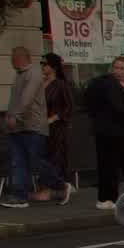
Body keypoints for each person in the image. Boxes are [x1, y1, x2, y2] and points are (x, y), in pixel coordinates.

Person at [2, 46, 58, 208]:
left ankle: (60, 184)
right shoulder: (18, 76)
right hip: (18, 128)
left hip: (33, 126)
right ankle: (20, 196)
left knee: (37, 161)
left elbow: (27, 98)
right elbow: (15, 100)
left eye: (12, 57)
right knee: (18, 162)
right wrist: (9, 117)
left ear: (18, 58)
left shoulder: (33, 74)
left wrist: (15, 115)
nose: (10, 61)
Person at [86, 56, 124, 211]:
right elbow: (118, 107)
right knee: (109, 166)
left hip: (121, 132)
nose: (118, 71)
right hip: (109, 132)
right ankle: (106, 199)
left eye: (121, 68)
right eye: (116, 67)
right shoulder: (110, 84)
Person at [41, 54, 75, 205]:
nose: (42, 66)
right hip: (41, 127)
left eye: (45, 64)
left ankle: (58, 188)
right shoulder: (42, 83)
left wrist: (54, 118)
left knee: (56, 157)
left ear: (53, 66)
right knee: (44, 157)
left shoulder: (60, 84)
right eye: (41, 63)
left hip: (57, 128)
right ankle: (49, 188)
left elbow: (69, 106)